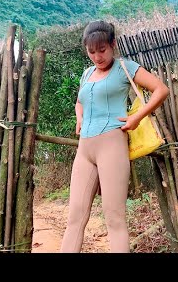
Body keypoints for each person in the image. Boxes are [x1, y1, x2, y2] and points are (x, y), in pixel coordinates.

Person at [60, 20, 169, 252]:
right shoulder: (87, 73)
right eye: (91, 52)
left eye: (102, 50)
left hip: (112, 145)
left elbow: (161, 90)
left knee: (114, 220)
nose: (97, 57)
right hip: (85, 149)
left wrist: (137, 117)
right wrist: (80, 118)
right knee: (75, 219)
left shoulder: (124, 67)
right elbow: (80, 102)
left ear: (113, 44)